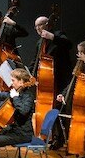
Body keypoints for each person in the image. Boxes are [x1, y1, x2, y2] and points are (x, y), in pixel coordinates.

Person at [31, 15, 73, 149]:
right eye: (36, 27)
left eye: (40, 25)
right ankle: (50, 136)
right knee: (49, 108)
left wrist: (52, 37)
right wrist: (31, 75)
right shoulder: (39, 43)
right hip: (46, 80)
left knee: (58, 108)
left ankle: (60, 138)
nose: (38, 29)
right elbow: (35, 60)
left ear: (47, 24)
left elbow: (69, 44)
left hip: (60, 78)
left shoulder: (58, 35)